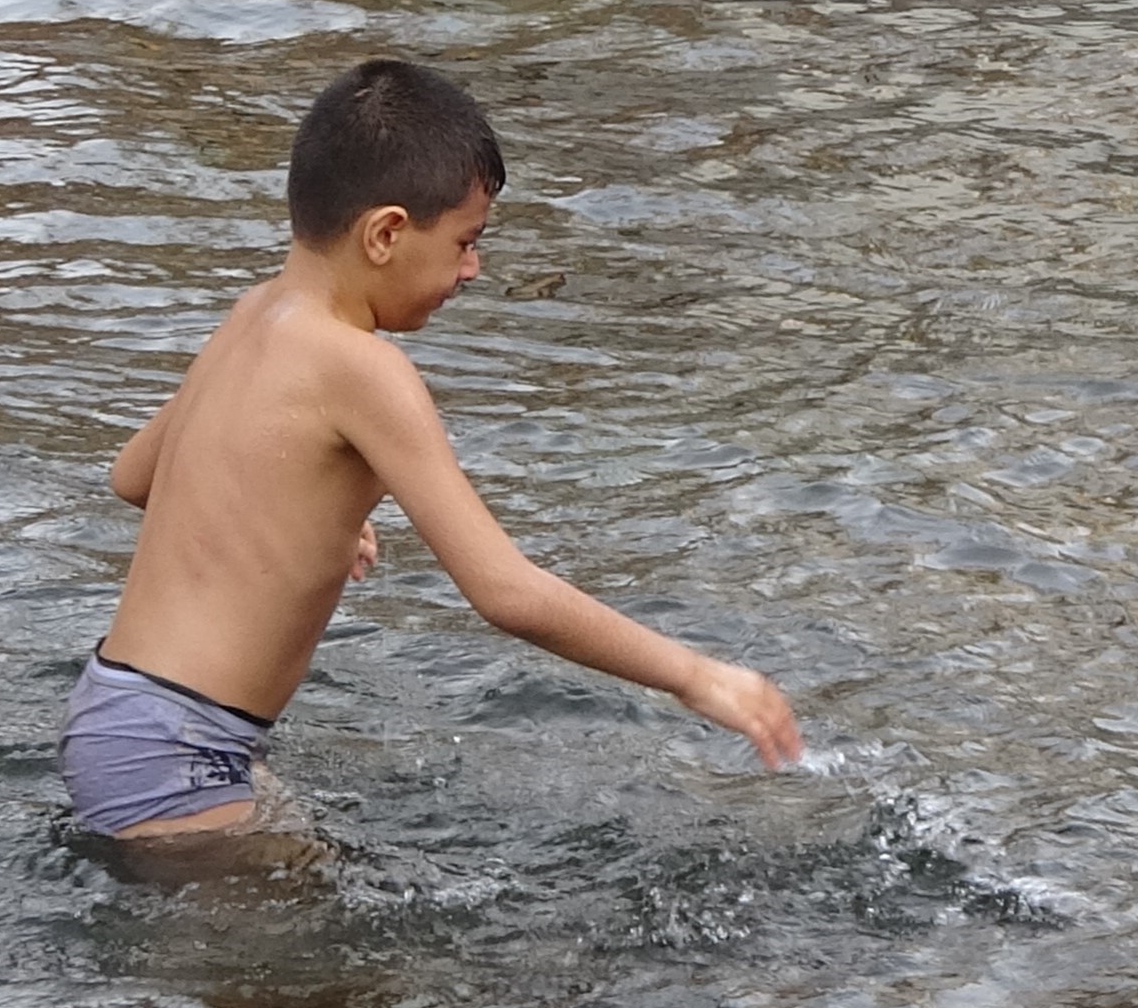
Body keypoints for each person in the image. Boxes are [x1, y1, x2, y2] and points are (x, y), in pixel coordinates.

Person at [60, 57, 799, 841]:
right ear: (385, 232)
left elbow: (134, 475)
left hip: (121, 714)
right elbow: (505, 593)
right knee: (311, 963)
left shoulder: (256, 313)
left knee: (308, 888)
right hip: (179, 751)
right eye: (465, 242)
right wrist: (694, 675)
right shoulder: (366, 370)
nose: (473, 269)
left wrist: (305, 512)